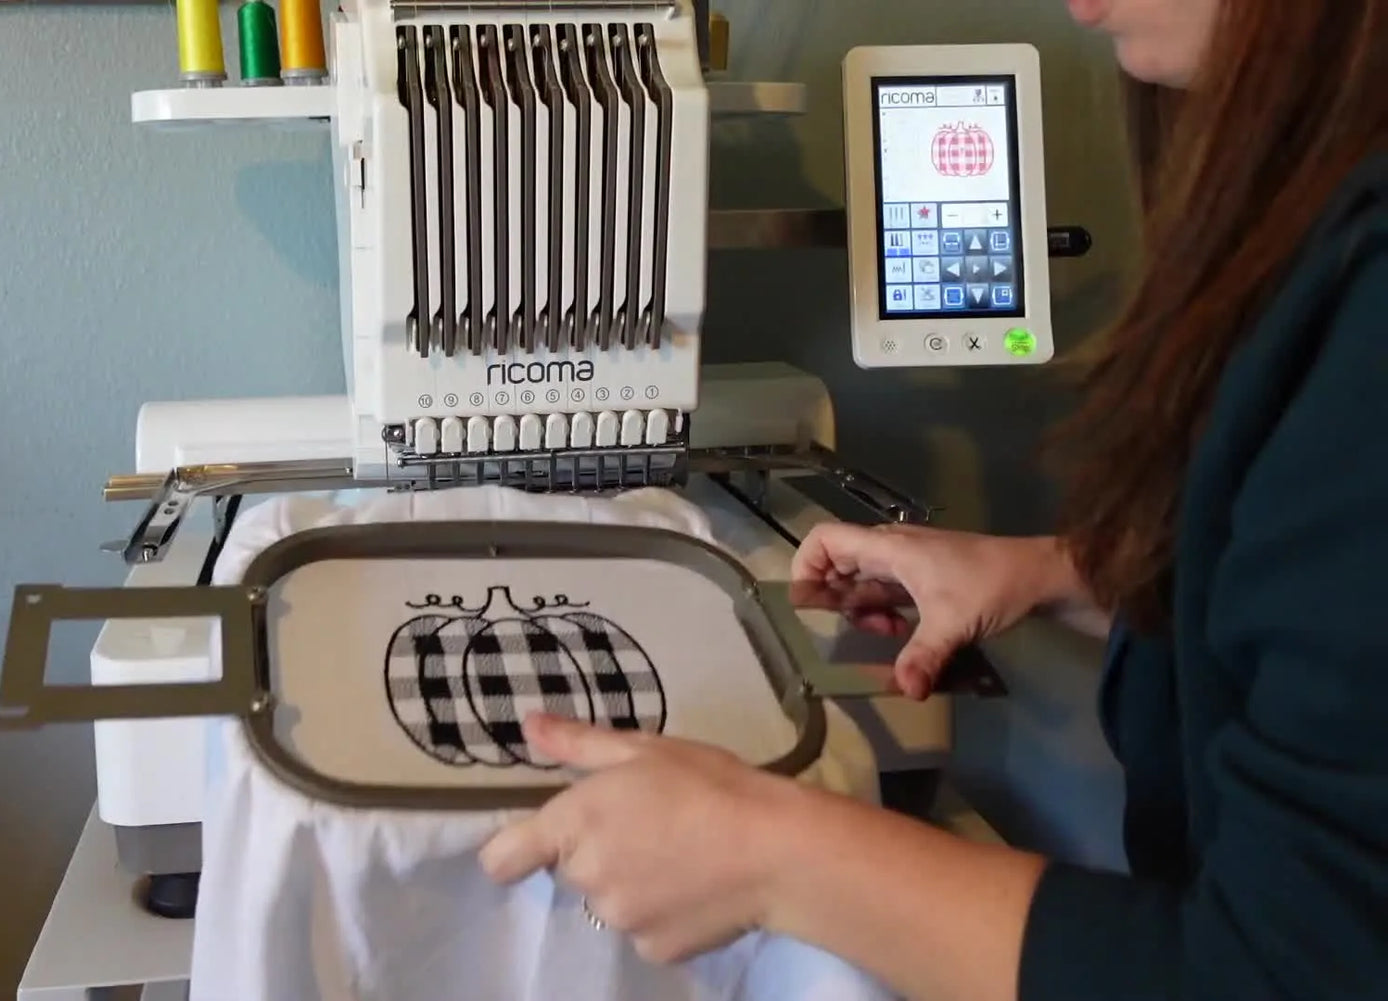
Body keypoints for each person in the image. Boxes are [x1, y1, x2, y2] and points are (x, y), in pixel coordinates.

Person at [479, 1, 1388, 999]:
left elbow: (1292, 969)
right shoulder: (1328, 228)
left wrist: (764, 852)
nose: (1078, 3)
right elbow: (1332, 596)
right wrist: (1064, 569)